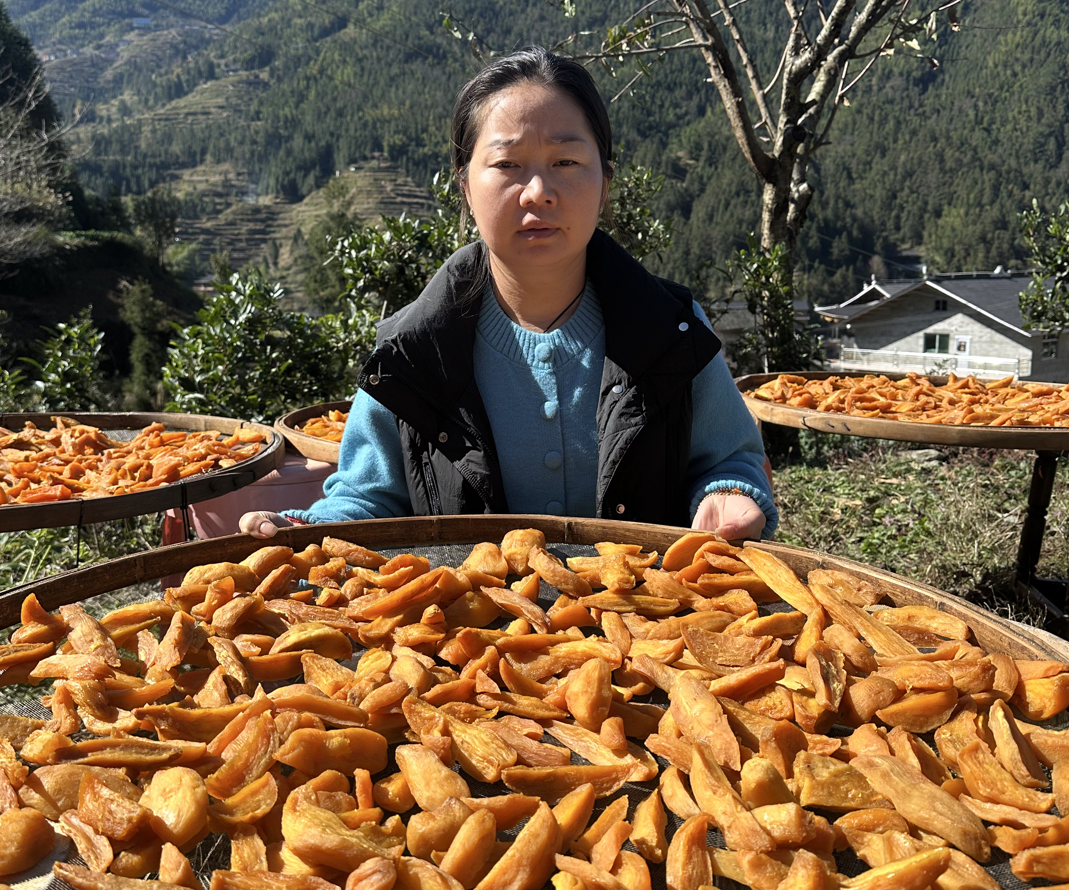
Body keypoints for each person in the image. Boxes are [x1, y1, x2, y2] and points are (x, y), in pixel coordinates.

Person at [241, 46, 775, 540]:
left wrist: (728, 493)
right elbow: (368, 498)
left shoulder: (670, 330)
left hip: (645, 630)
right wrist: (303, 530)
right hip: (467, 640)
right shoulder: (415, 349)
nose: (538, 192)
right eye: (507, 165)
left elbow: (728, 459)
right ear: (466, 186)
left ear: (606, 182)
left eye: (566, 163)